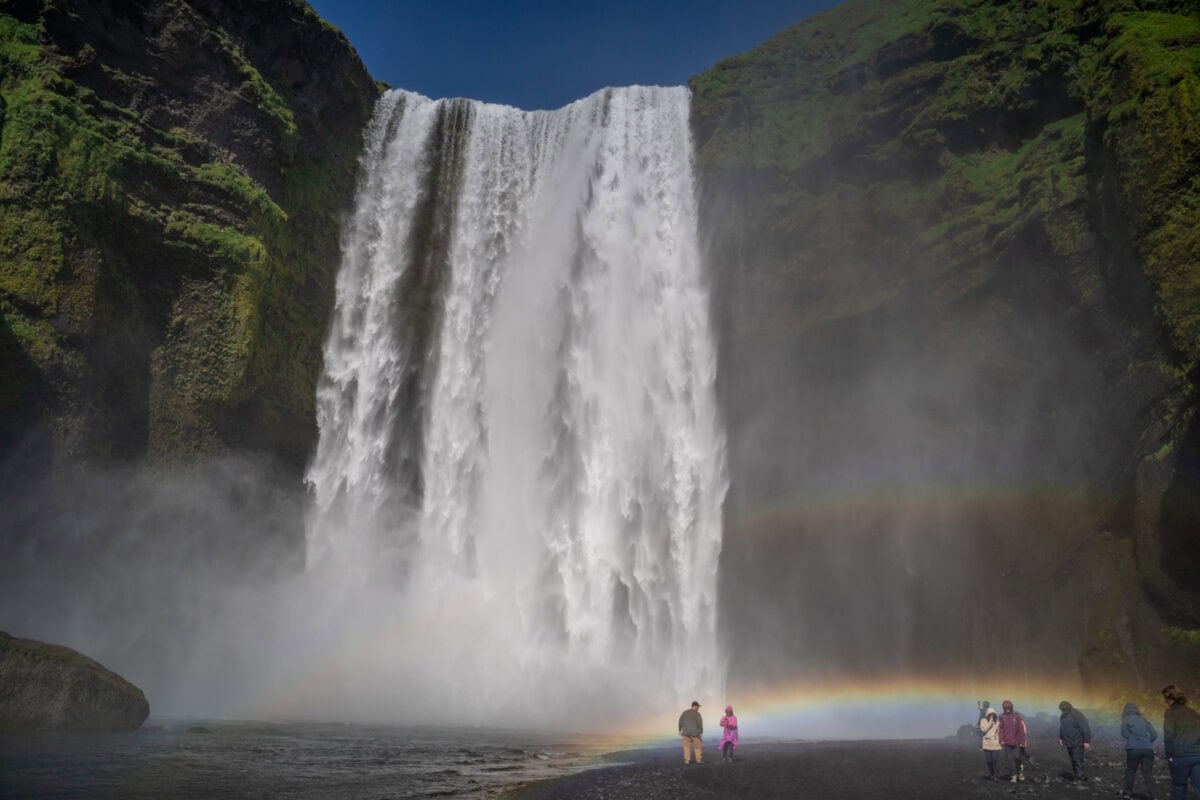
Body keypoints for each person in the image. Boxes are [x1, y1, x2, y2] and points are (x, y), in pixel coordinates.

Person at [1162, 684, 1200, 800]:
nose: (1165, 701)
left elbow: (1168, 735)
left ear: (1171, 698)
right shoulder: (1194, 713)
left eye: (1165, 698)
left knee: (1179, 787)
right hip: (1197, 755)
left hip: (1180, 756)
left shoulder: (1170, 712)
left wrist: (1169, 755)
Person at [1121, 701, 1157, 800]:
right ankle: (1154, 796)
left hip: (1133, 749)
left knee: (1131, 771)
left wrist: (1133, 739)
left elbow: (1124, 734)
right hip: (1147, 749)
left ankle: (1127, 793)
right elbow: (1154, 735)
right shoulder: (1145, 720)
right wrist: (1146, 742)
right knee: (1148, 773)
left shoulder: (1125, 719)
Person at [1058, 700, 1092, 781]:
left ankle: (1080, 776)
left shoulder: (1077, 715)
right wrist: (1061, 738)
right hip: (1068, 742)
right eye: (1062, 710)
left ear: (1069, 708)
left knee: (1077, 759)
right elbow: (1062, 728)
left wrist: (1087, 741)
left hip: (1077, 741)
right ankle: (1078, 775)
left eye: (1064, 709)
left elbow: (1085, 728)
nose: (1063, 711)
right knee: (1073, 759)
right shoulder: (1063, 716)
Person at [998, 699, 1028, 782]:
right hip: (1007, 743)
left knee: (1017, 758)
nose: (1007, 709)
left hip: (1017, 742)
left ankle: (1020, 773)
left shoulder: (1016, 715)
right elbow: (1001, 729)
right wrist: (1001, 739)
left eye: (1009, 708)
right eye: (1005, 708)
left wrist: (1022, 741)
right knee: (1010, 760)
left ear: (1011, 707)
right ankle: (1013, 776)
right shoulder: (1001, 716)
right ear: (1003, 708)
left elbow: (1021, 729)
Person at [979, 706, 1002, 780]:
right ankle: (992, 773)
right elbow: (984, 730)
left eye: (993, 714)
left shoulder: (998, 722)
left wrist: (1000, 741)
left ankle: (996, 775)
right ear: (987, 714)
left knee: (995, 761)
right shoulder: (983, 721)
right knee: (989, 761)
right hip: (987, 744)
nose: (992, 716)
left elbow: (999, 732)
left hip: (996, 745)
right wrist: (990, 722)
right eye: (990, 714)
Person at [679, 700, 704, 765]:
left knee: (686, 747)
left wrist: (680, 730)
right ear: (695, 706)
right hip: (695, 733)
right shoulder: (697, 714)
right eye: (698, 707)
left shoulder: (684, 712)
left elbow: (680, 721)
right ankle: (698, 760)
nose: (698, 708)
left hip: (685, 732)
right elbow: (699, 723)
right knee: (697, 747)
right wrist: (701, 731)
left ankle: (687, 761)